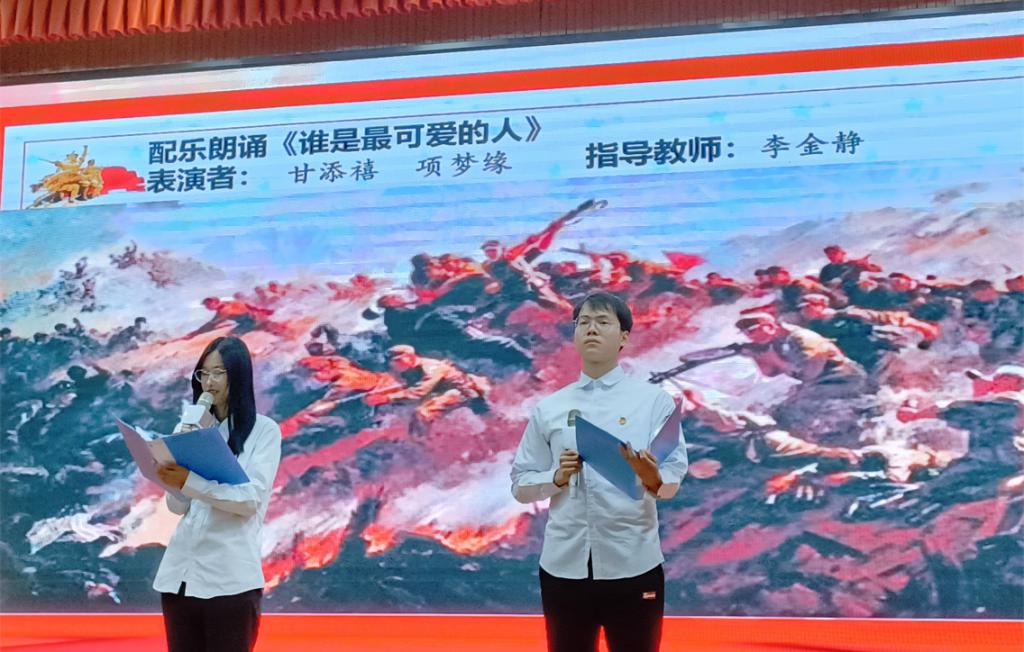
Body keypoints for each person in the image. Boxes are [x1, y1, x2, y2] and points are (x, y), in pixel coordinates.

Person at [510, 291, 688, 652]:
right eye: (584, 323)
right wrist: (555, 478)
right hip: (564, 566)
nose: (591, 329)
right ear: (575, 335)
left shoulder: (653, 401)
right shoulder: (550, 407)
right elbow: (520, 483)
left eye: (603, 322)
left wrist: (652, 477)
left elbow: (674, 472)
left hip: (633, 562)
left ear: (624, 337)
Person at [153, 336, 282, 652]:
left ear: (238, 375)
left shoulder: (263, 430)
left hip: (229, 580)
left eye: (218, 373)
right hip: (180, 577)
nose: (209, 382)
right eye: (203, 373)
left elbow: (249, 501)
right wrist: (172, 477)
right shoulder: (193, 428)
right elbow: (177, 507)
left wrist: (191, 481)